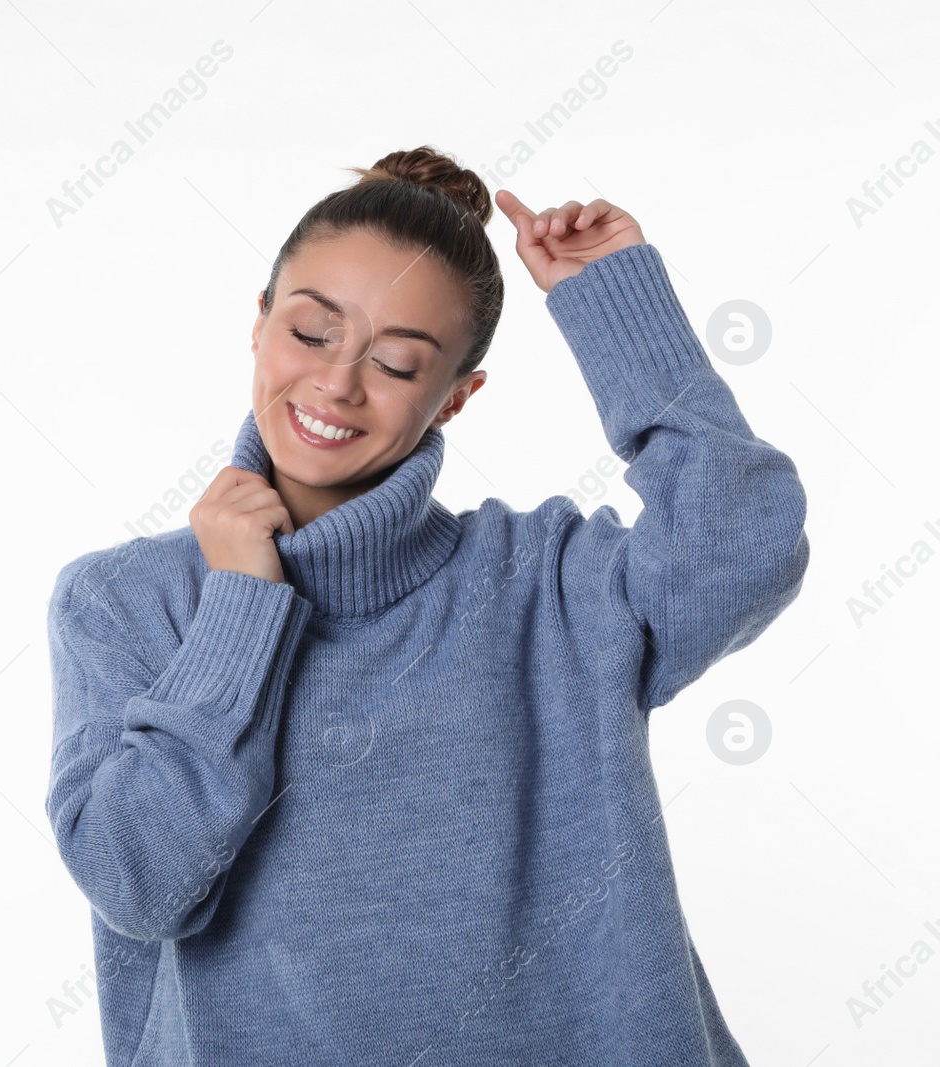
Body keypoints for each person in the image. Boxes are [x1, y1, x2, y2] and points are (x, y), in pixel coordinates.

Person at [44, 145, 808, 1066]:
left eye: (400, 364)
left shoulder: (551, 586)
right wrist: (243, 605)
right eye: (312, 331)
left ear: (456, 397)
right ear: (258, 322)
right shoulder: (126, 603)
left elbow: (746, 542)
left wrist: (620, 316)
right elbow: (140, 884)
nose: (336, 383)